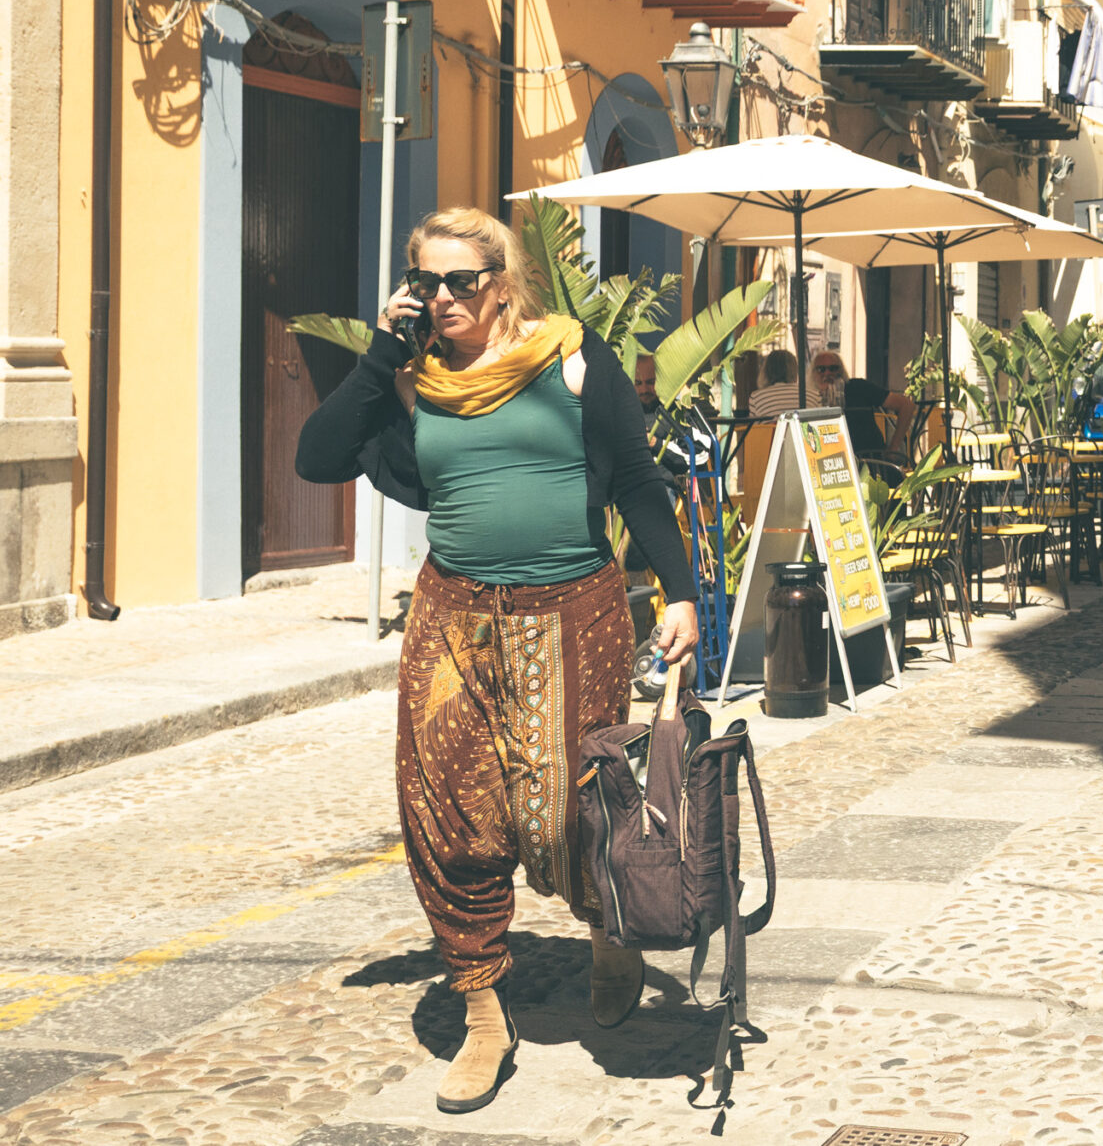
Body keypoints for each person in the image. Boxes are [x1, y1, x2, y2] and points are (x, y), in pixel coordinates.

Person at [295, 207, 700, 1114]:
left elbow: (634, 477)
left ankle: (607, 931)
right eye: (427, 283)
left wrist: (681, 593)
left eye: (460, 282)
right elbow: (316, 458)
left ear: (502, 282)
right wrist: (379, 356)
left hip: (576, 610)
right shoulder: (409, 379)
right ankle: (484, 1013)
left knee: (573, 806)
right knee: (446, 807)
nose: (443, 299)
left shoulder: (572, 357)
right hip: (453, 618)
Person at [746, 348, 805, 418]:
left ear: (766, 371)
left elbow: (755, 428)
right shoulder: (814, 395)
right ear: (794, 369)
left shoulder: (756, 397)